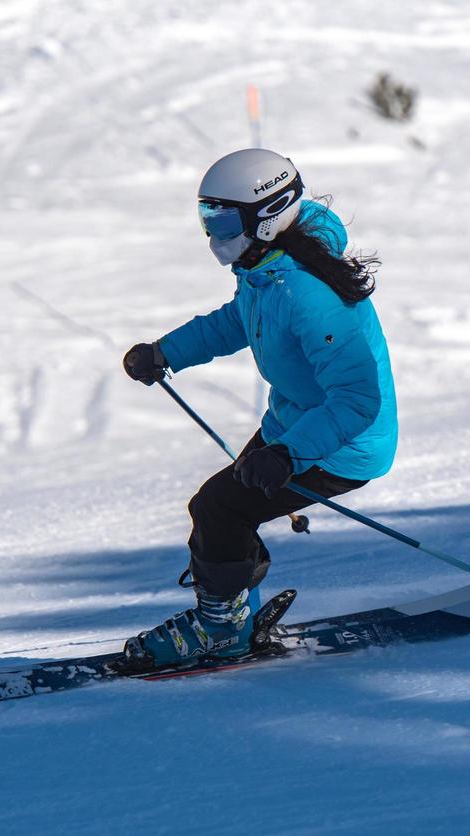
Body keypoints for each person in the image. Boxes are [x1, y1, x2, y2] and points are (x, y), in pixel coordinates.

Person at [119, 148, 397, 670]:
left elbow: (358, 400)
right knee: (222, 514)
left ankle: (223, 630)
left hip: (340, 446)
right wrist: (166, 353)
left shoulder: (306, 293)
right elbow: (236, 321)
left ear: (266, 219)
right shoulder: (268, 270)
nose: (213, 237)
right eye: (208, 220)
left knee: (218, 509)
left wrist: (289, 455)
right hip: (294, 429)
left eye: (223, 222)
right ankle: (230, 608)